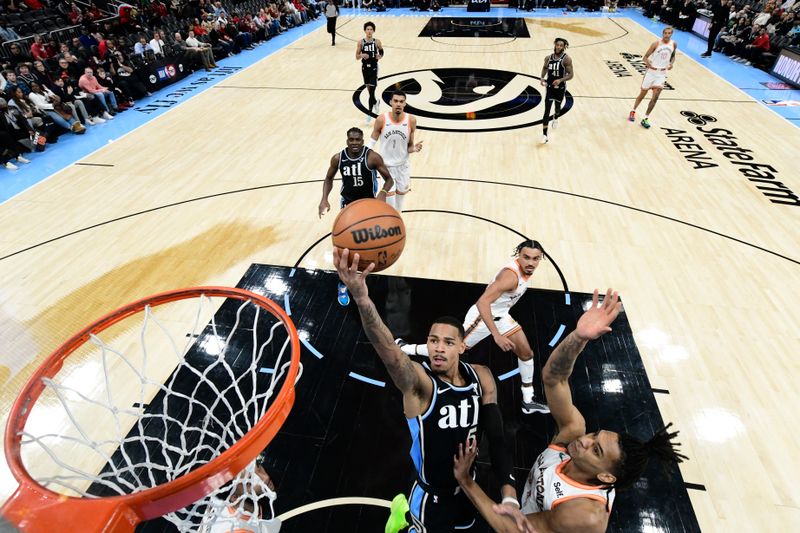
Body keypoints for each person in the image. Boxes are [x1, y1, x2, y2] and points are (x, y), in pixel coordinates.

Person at [452, 289, 688, 533]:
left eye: (596, 450)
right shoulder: (573, 434)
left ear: (607, 478)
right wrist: (579, 337)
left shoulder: (583, 515)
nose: (586, 440)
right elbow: (554, 379)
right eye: (595, 435)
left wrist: (466, 481)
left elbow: (511, 530)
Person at [333, 247, 520, 532]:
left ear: (462, 346)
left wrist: (510, 496)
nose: (438, 348)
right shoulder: (421, 384)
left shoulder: (482, 377)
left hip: (468, 488)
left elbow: (496, 437)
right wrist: (361, 297)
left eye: (447, 342)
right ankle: (402, 515)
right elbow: (390, 352)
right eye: (433, 340)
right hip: (431, 498)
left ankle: (403, 509)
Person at [398, 240, 550, 414]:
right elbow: (482, 302)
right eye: (526, 257)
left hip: (502, 315)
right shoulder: (510, 277)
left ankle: (528, 400)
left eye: (536, 259)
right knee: (454, 348)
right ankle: (406, 348)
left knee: (526, 353)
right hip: (481, 318)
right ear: (519, 256)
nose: (530, 263)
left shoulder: (526, 271)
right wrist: (496, 335)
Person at [319, 127, 394, 306]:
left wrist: (383, 192)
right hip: (348, 208)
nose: (354, 143)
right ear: (347, 140)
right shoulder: (338, 158)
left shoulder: (372, 157)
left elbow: (389, 179)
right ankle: (342, 284)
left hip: (368, 208)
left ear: (362, 140)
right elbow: (328, 178)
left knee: (367, 248)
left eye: (357, 140)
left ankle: (361, 281)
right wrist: (324, 199)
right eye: (351, 140)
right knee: (344, 250)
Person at [367, 89, 422, 212]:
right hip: (386, 168)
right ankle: (391, 227)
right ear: (391, 102)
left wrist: (414, 148)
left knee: (399, 205)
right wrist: (364, 156)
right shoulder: (382, 119)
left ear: (405, 104)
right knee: (390, 205)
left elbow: (409, 146)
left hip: (403, 167)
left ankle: (397, 226)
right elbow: (371, 141)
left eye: (401, 101)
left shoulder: (411, 121)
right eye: (396, 101)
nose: (398, 104)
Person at [629, 26, 676, 129]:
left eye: (669, 33)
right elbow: (645, 57)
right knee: (642, 94)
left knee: (655, 97)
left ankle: (645, 118)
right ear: (662, 33)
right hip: (651, 72)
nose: (667, 35)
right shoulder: (656, 44)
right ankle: (633, 111)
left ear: (671, 34)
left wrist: (671, 64)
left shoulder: (673, 44)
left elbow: (673, 57)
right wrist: (648, 62)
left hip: (662, 74)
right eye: (666, 33)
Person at [539, 37, 573, 145]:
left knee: (557, 108)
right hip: (549, 87)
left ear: (564, 47)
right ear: (554, 44)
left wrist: (560, 80)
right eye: (557, 45)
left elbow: (571, 75)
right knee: (546, 110)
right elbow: (545, 68)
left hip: (561, 88)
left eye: (561, 46)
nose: (558, 47)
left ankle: (556, 117)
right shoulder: (548, 58)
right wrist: (541, 77)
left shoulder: (566, 59)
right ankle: (544, 135)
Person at [356, 21, 383, 122]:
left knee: (372, 91)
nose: (369, 31)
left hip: (374, 67)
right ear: (364, 30)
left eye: (371, 29)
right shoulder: (360, 42)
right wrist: (362, 55)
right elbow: (357, 57)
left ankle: (370, 113)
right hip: (364, 68)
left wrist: (379, 56)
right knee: (369, 91)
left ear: (374, 31)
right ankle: (376, 103)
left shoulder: (377, 41)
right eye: (367, 29)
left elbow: (381, 51)